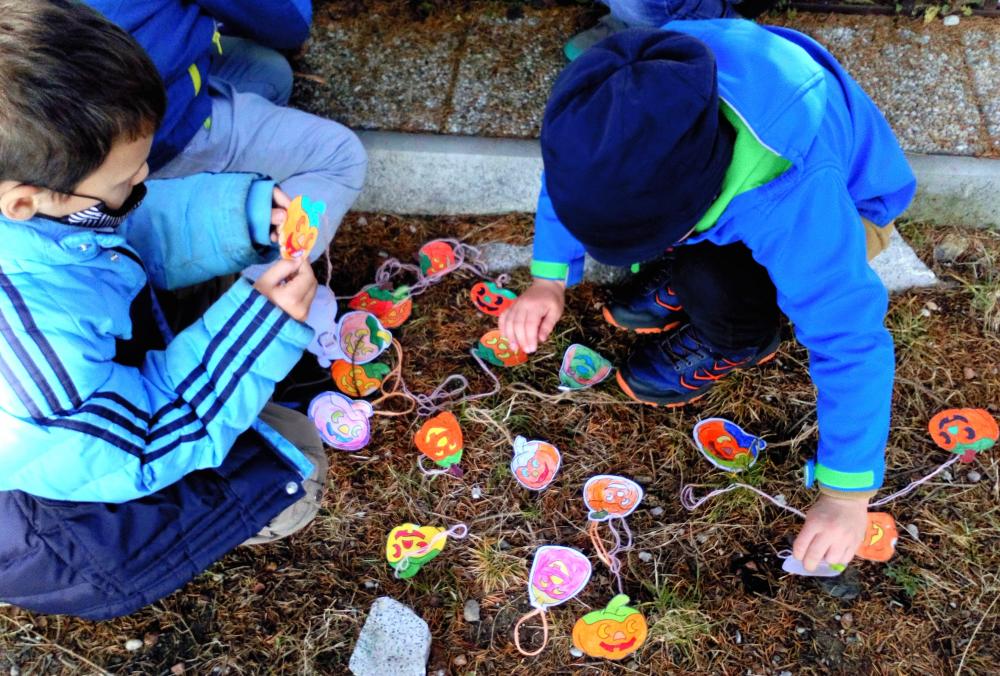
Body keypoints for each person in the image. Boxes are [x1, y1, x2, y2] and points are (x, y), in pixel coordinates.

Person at [500, 22, 917, 571]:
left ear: (697, 202)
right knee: (696, 261)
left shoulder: (791, 192)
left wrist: (846, 495)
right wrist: (548, 278)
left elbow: (849, 337)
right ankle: (694, 270)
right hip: (723, 197)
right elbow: (574, 179)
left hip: (847, 204)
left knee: (715, 277)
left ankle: (739, 336)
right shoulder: (635, 94)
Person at [0, 0, 328, 619]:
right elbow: (149, 441)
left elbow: (116, 230)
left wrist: (240, 213)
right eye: (125, 176)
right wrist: (260, 330)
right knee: (297, 461)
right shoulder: (34, 371)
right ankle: (145, 560)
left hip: (76, 424)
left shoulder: (32, 203)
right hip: (57, 529)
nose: (145, 174)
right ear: (25, 201)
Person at [84, 0, 367, 258]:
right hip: (151, 140)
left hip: (95, 109)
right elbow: (289, 22)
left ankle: (222, 212)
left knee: (270, 74)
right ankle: (259, 292)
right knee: (340, 156)